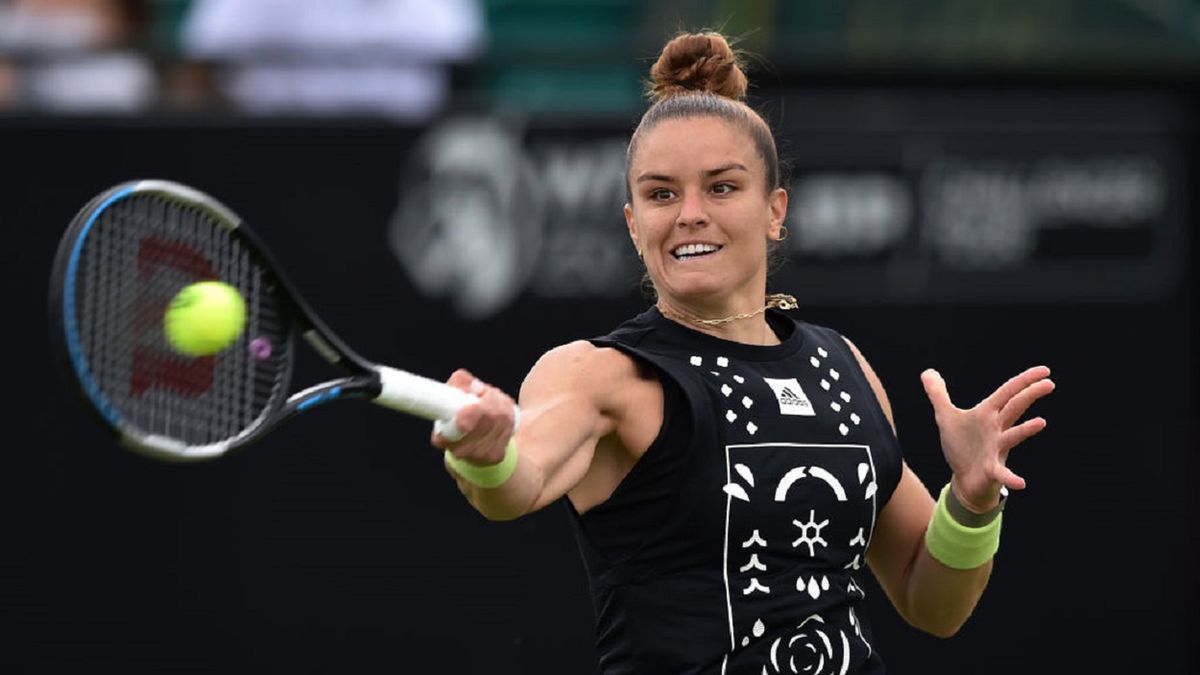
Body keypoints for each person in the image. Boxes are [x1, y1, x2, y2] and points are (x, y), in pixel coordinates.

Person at [430, 31, 1055, 674]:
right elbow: (519, 483)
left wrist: (972, 502)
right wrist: (488, 457)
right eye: (661, 193)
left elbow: (933, 604)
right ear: (632, 222)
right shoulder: (597, 375)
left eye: (722, 188)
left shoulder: (842, 367)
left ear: (775, 210)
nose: (690, 214)